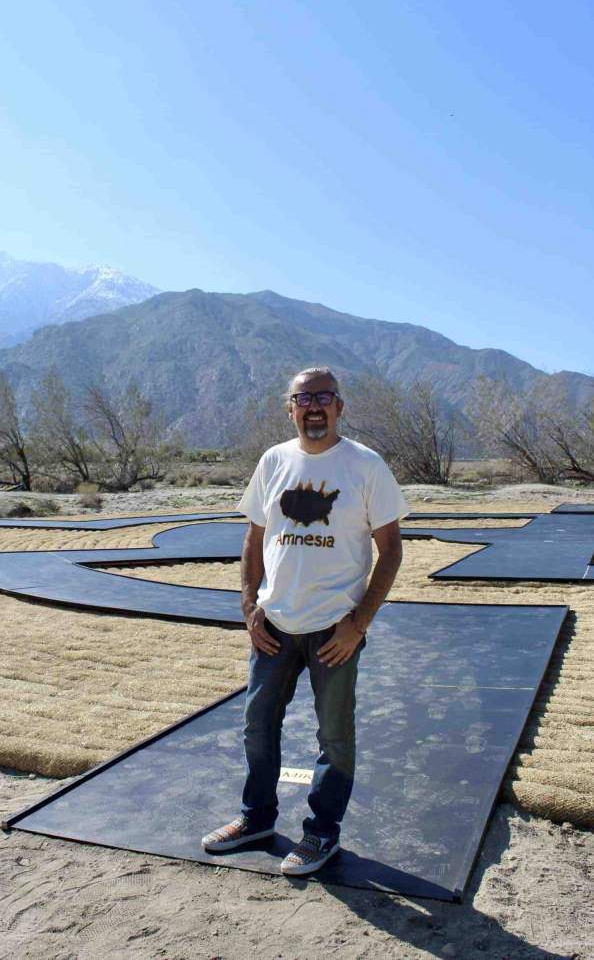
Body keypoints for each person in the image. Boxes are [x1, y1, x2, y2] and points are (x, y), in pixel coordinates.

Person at [201, 366, 408, 875]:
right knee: (257, 726)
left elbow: (392, 550)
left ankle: (321, 834)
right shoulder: (273, 461)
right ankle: (257, 819)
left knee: (334, 736)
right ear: (288, 408)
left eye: (323, 397)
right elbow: (254, 540)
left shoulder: (365, 465)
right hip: (274, 625)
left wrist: (357, 622)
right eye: (303, 398)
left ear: (340, 406)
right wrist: (250, 608)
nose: (313, 406)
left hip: (333, 628)